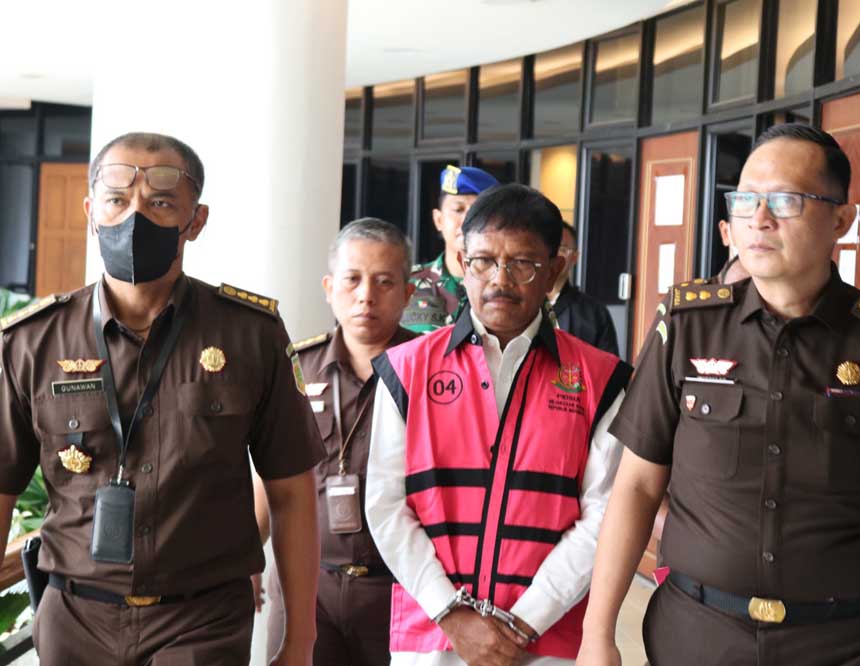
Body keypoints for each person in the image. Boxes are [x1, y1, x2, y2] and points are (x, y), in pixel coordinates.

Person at [579, 124, 860, 666]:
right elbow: (635, 486)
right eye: (745, 200)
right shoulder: (686, 326)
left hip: (846, 647)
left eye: (785, 201)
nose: (759, 218)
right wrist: (597, 633)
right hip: (697, 639)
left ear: (841, 220)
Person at [0, 132, 324, 666]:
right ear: (91, 213)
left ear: (195, 221)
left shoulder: (251, 335)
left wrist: (300, 643)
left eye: (160, 203)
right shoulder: (34, 341)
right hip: (75, 621)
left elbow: (291, 492)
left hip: (202, 623)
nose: (135, 217)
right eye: (117, 200)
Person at [366, 183, 631, 665]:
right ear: (462, 262)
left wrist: (523, 621)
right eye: (484, 261)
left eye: (523, 263)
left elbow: (604, 515)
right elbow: (385, 506)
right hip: (432, 637)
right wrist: (451, 613)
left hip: (545, 639)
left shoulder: (600, 379)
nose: (500, 280)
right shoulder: (406, 370)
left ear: (554, 269)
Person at [254, 217, 418, 665]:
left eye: (384, 282)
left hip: (400, 588)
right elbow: (270, 474)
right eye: (352, 279)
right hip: (307, 586)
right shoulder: (296, 368)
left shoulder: (432, 375)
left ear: (407, 293)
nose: (366, 295)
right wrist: (248, 558)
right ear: (329, 287)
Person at [402, 165, 499, 333]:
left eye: (477, 212)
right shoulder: (408, 283)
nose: (467, 221)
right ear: (438, 220)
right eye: (458, 210)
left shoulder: (505, 286)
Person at [547, 221, 619, 356]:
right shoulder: (523, 305)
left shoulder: (595, 314)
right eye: (550, 247)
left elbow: (608, 365)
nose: (555, 255)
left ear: (574, 257)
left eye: (562, 249)